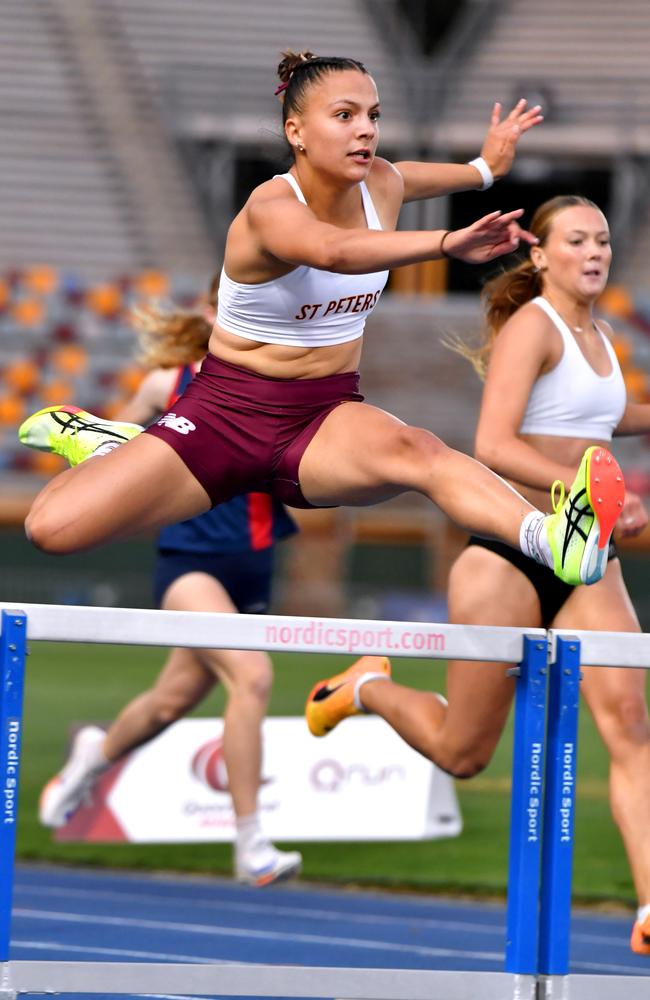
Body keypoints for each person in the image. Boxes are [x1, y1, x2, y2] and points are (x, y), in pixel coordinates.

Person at [19, 55, 623, 653]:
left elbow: (420, 174)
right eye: (344, 115)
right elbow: (333, 250)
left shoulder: (382, 183)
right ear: (296, 133)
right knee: (51, 529)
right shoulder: (269, 208)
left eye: (373, 115)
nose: (365, 129)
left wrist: (485, 169)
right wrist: (444, 242)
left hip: (321, 415)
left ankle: (552, 538)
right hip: (223, 415)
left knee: (421, 451)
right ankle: (108, 442)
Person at [306, 195, 650, 954]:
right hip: (510, 552)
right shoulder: (534, 327)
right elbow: (493, 443)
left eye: (602, 241)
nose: (594, 252)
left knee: (629, 723)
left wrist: (612, 473)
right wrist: (578, 493)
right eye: (576, 240)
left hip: (585, 557)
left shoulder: (602, 335)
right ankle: (364, 686)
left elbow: (593, 420)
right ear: (540, 255)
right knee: (464, 753)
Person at [38, 282, 302, 886]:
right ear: (214, 313)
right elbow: (106, 447)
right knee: (253, 675)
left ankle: (92, 757)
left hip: (253, 567)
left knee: (169, 702)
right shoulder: (169, 382)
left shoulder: (286, 379)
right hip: (191, 564)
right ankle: (250, 841)